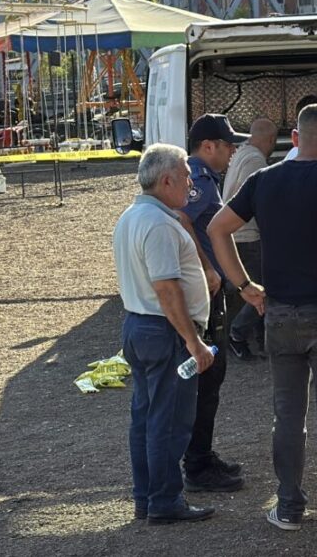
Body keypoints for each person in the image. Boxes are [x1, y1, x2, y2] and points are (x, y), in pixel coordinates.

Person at [207, 103, 317, 535]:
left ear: (293, 137)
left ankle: (288, 507)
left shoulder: (263, 179)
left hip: (279, 313)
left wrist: (245, 286)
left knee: (287, 417)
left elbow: (218, 229)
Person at [113, 143, 218, 525]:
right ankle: (164, 500)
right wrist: (194, 342)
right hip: (164, 331)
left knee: (146, 416)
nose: (191, 182)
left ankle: (148, 497)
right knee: (168, 420)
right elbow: (167, 288)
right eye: (186, 175)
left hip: (141, 326)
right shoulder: (157, 223)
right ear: (167, 179)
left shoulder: (133, 215)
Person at [175, 114, 245, 493]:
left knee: (210, 378)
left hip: (205, 291)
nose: (233, 150)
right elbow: (181, 218)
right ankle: (198, 465)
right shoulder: (198, 179)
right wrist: (207, 269)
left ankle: (201, 455)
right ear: (208, 146)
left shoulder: (203, 177)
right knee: (207, 376)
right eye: (228, 144)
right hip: (203, 291)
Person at [222, 117, 279, 361]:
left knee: (257, 285)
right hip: (247, 235)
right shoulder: (256, 161)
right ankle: (237, 334)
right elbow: (259, 203)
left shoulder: (241, 154)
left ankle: (260, 339)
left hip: (237, 233)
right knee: (264, 290)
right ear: (270, 140)